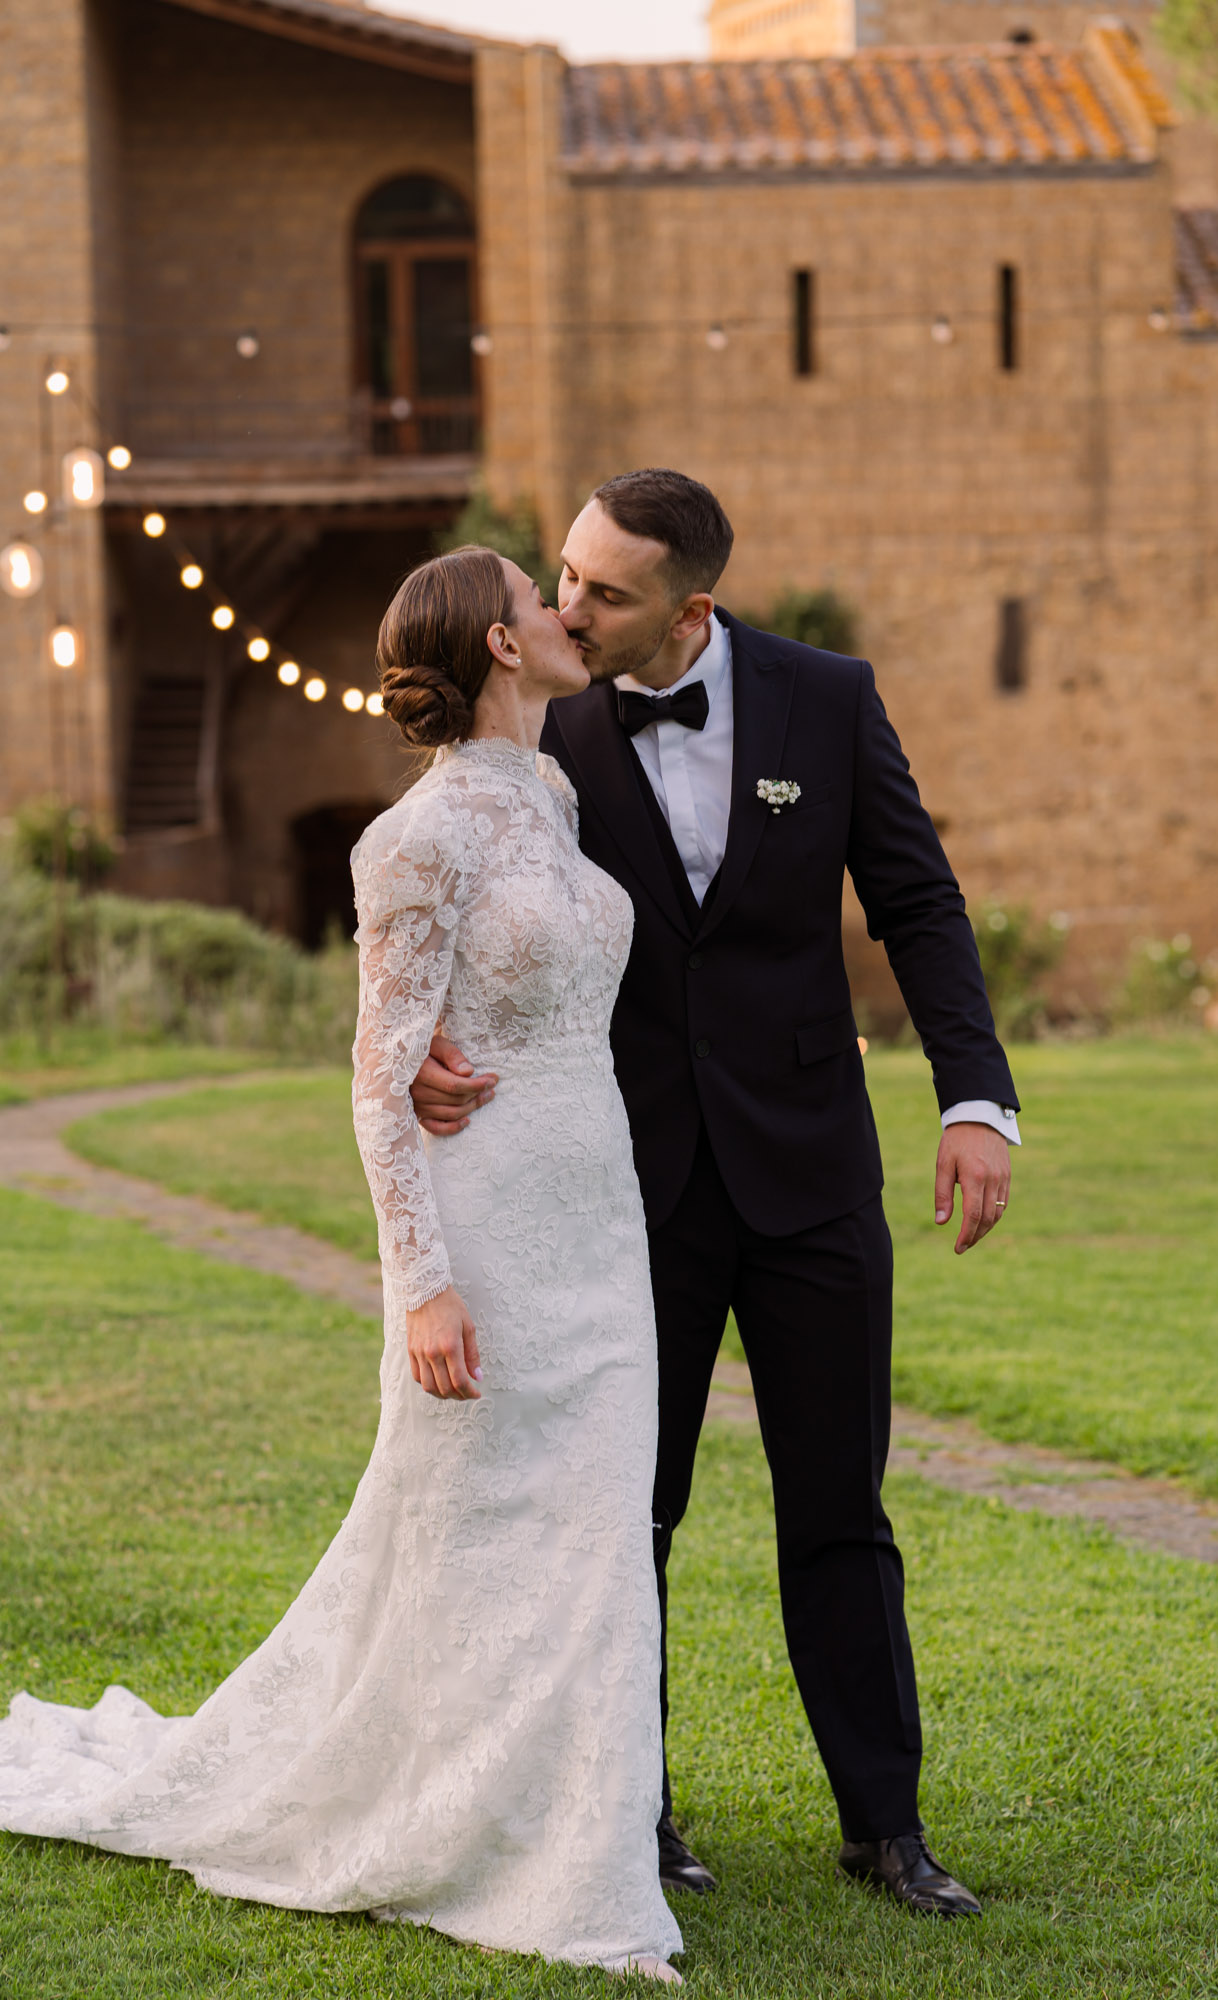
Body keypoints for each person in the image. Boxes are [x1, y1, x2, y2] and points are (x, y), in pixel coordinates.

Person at [0, 548, 683, 1983]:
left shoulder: (554, 800)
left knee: (591, 1536)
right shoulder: (411, 842)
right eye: (543, 595)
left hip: (597, 1214)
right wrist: (424, 1283)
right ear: (502, 643)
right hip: (485, 1226)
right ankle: (544, 1864)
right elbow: (379, 1084)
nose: (571, 613)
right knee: (474, 1523)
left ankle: (566, 1821)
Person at [411, 471, 1021, 1919]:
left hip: (811, 1170)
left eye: (602, 591)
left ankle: (886, 1827)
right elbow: (441, 874)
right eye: (562, 574)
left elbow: (917, 901)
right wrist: (424, 1028)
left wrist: (975, 1097)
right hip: (626, 1181)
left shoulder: (827, 696)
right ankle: (634, 1810)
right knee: (633, 1508)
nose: (564, 607)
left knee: (838, 1510)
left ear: (689, 605)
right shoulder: (539, 718)